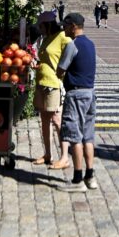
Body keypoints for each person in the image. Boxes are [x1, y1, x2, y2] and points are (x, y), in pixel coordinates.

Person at [56, 13, 98, 192]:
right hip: (90, 93)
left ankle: (77, 180)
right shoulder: (90, 43)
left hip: (76, 94)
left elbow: (61, 69)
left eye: (65, 25)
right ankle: (90, 176)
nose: (63, 29)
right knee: (88, 136)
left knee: (74, 136)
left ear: (73, 26)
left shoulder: (72, 45)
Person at [32, 11, 72, 170]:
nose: (39, 29)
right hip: (41, 81)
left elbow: (71, 53)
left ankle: (64, 157)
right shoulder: (46, 38)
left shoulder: (63, 36)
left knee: (57, 120)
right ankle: (47, 154)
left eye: (41, 26)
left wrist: (62, 71)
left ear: (47, 24)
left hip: (54, 84)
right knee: (44, 120)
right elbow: (45, 58)